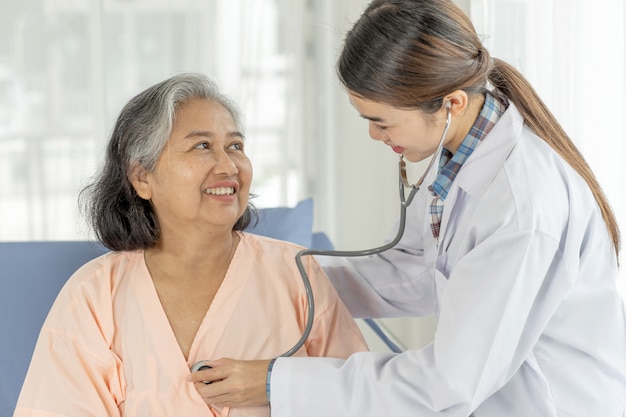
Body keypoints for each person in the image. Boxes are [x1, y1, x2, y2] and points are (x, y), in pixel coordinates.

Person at [188, 1, 626, 416]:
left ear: (451, 104)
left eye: (381, 121)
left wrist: (273, 383)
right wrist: (279, 278)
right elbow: (415, 272)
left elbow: (448, 385)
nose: (375, 136)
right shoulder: (461, 161)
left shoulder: (519, 206)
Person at [13, 73, 368, 417]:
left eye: (235, 146)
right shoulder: (93, 294)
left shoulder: (297, 273)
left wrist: (282, 384)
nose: (229, 165)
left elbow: (362, 399)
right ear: (142, 177)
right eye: (202, 146)